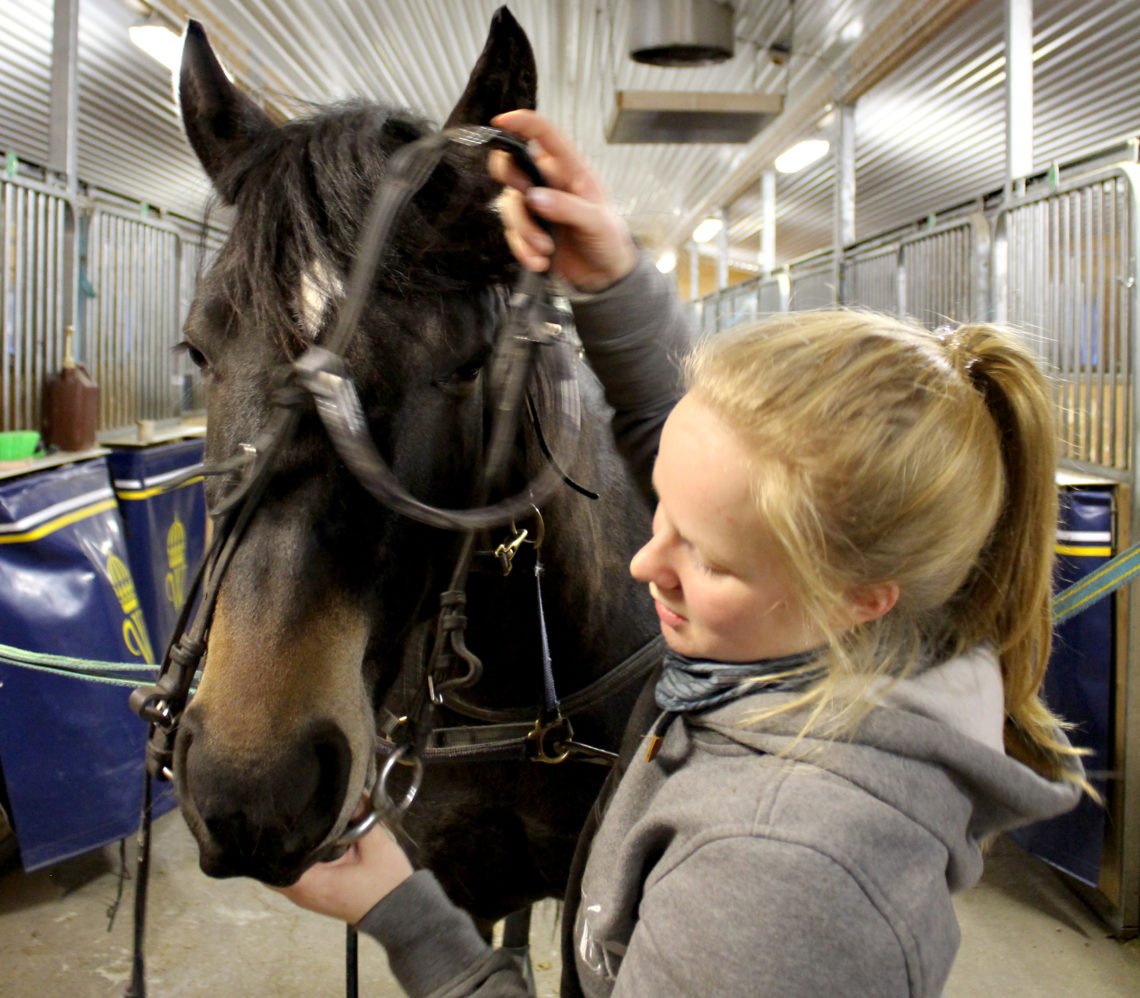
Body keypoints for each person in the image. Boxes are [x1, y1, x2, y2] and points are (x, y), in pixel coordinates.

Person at [278, 109, 1087, 997]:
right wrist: (613, 279)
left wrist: (414, 923)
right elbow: (721, 486)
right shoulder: (819, 642)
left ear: (862, 596)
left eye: (707, 559)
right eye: (661, 515)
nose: (643, 564)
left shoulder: (781, 881)